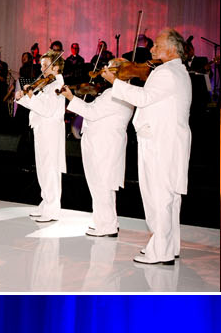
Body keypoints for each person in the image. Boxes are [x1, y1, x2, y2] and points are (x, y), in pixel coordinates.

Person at [101, 28, 192, 264]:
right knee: (170, 197)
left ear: (171, 49)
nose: (151, 49)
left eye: (157, 45)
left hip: (158, 142)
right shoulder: (180, 72)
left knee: (158, 196)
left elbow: (143, 98)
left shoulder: (165, 73)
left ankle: (160, 251)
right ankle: (169, 246)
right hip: (171, 141)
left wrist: (116, 82)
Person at [64, 77, 133, 236]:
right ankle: (106, 222)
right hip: (107, 143)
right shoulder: (125, 92)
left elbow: (92, 112)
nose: (105, 72)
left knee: (101, 184)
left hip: (102, 144)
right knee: (104, 184)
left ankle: (106, 226)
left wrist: (71, 97)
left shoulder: (114, 93)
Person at [16, 52, 66, 221]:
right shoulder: (47, 84)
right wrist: (22, 98)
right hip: (42, 129)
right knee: (42, 167)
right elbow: (37, 104)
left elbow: (47, 109)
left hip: (51, 130)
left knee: (50, 168)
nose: (42, 69)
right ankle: (46, 202)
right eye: (42, 65)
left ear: (56, 67)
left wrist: (31, 96)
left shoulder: (58, 84)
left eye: (45, 65)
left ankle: (53, 208)